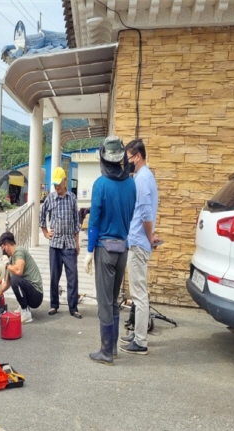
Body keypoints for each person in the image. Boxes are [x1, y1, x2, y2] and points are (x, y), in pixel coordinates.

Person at [84, 136, 136, 366]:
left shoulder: (100, 184)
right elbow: (131, 215)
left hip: (104, 249)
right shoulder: (131, 183)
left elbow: (93, 220)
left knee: (104, 302)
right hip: (123, 249)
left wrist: (88, 251)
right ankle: (113, 349)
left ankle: (106, 352)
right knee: (114, 300)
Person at [120, 139, 160, 356]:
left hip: (138, 242)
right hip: (138, 241)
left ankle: (141, 341)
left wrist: (149, 235)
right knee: (138, 292)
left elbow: (145, 213)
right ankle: (137, 334)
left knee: (139, 295)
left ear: (137, 156)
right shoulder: (144, 177)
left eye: (128, 157)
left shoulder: (143, 178)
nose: (127, 162)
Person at [39, 166, 81, 318]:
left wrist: (77, 242)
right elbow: (41, 216)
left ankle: (73, 308)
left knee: (72, 276)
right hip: (55, 244)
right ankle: (54, 305)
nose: (57, 187)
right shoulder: (50, 198)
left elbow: (77, 222)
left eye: (59, 183)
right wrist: (45, 232)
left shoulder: (72, 198)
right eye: (55, 184)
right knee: (54, 276)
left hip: (69, 243)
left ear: (65, 181)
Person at [0, 231, 43, 324]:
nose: (3, 251)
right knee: (14, 280)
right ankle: (24, 306)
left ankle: (26, 311)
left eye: (2, 248)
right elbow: (6, 284)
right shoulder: (10, 260)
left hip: (36, 294)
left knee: (15, 280)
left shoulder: (19, 251)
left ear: (6, 245)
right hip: (30, 292)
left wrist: (6, 264)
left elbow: (19, 272)